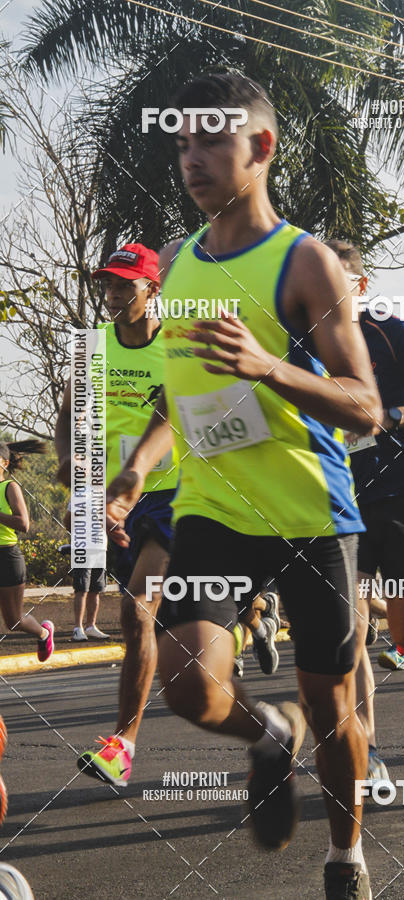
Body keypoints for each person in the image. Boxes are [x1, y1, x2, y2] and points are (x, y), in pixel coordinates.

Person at [105, 73, 382, 899]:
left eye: (210, 141)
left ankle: (345, 857)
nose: (190, 159)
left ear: (261, 147)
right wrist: (138, 468)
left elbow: (365, 404)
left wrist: (269, 366)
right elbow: (183, 393)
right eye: (181, 143)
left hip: (308, 510)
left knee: (333, 707)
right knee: (189, 684)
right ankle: (267, 731)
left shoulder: (305, 261)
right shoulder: (179, 264)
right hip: (214, 508)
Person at [323, 239, 404, 785]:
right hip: (339, 498)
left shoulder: (390, 330)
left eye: (335, 279)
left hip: (402, 490)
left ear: (359, 286)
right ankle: (368, 750)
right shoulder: (303, 341)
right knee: (349, 633)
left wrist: (390, 416)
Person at [55, 243, 179, 786]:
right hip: (108, 499)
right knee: (159, 620)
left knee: (135, 612)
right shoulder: (92, 348)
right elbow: (68, 417)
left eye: (125, 285)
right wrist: (68, 463)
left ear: (152, 289)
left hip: (172, 495)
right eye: (106, 283)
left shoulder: (175, 348)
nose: (112, 294)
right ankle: (248, 616)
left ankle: (122, 747)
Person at [0, 440, 54, 661]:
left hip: (7, 558)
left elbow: (24, 523)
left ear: (4, 463)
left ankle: (44, 633)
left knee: (13, 622)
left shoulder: (9, 487)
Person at [63, 503, 109, 641]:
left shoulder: (105, 496)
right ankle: (78, 629)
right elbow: (67, 519)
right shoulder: (80, 494)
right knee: (82, 588)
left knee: (96, 589)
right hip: (82, 548)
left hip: (100, 547)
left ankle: (91, 627)